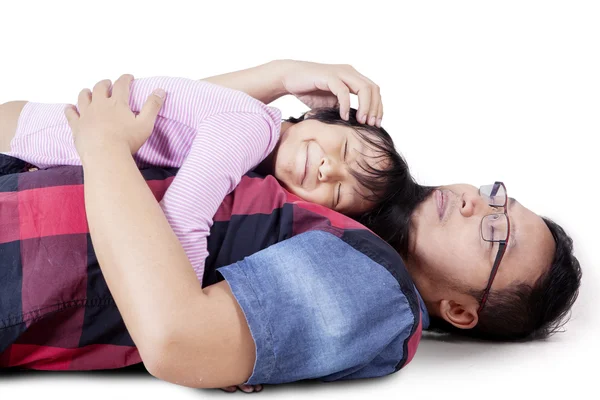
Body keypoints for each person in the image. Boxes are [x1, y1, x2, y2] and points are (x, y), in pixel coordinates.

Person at [0, 62, 581, 392]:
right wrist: (276, 79)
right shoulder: (331, 206)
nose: (481, 206)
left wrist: (103, 148)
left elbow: (177, 338)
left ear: (459, 311)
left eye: (497, 237)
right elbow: (181, 129)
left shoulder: (376, 288)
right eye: (496, 196)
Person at [0, 60, 405, 284]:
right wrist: (192, 314)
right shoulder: (251, 127)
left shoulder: (250, 137)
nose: (327, 168)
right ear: (323, 115)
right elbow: (182, 217)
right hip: (13, 148)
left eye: (337, 193)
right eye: (345, 149)